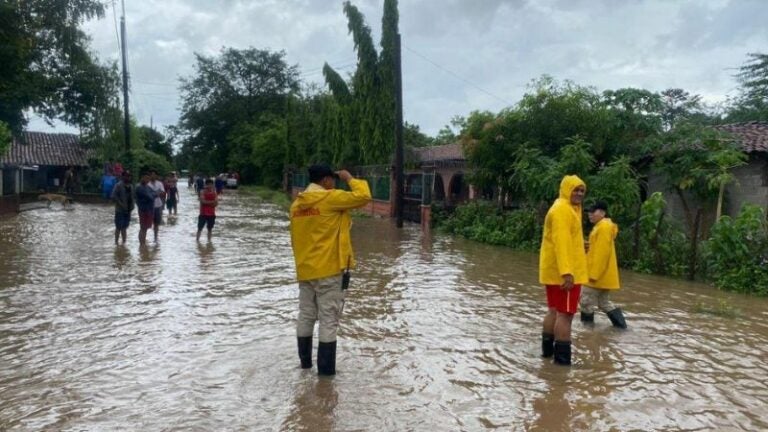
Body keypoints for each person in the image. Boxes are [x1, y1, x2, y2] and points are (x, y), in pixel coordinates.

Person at [289, 164, 371, 376]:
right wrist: (349, 177)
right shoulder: (330, 198)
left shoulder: (297, 205)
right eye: (333, 180)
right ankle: (325, 379)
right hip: (329, 269)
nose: (334, 183)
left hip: (305, 270)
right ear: (326, 181)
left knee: (306, 315)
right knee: (328, 320)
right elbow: (363, 196)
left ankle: (305, 366)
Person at [539, 175, 588, 366]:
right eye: (575, 189)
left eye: (582, 190)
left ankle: (547, 354)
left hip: (554, 271)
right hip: (565, 273)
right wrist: (567, 272)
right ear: (566, 189)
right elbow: (560, 242)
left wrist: (579, 244)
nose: (579, 193)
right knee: (565, 315)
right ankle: (562, 364)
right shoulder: (562, 210)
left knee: (553, 311)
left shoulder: (566, 208)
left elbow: (565, 239)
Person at [581, 201, 627, 329]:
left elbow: (602, 253)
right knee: (603, 302)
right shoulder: (601, 226)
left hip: (596, 275)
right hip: (603, 274)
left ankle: (586, 332)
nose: (590, 214)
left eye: (593, 211)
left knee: (585, 302)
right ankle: (621, 329)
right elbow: (598, 249)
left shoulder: (603, 227)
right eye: (589, 212)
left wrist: (593, 275)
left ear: (602, 212)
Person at [111, 171, 135, 245]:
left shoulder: (131, 186)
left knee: (124, 227)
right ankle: (116, 243)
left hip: (128, 210)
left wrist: (132, 206)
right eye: (126, 176)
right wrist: (121, 204)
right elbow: (113, 196)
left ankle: (124, 244)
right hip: (120, 210)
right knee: (118, 227)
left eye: (129, 176)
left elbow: (132, 197)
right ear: (123, 177)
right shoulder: (118, 185)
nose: (128, 177)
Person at [135, 172, 157, 246]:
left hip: (149, 210)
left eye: (148, 178)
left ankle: (143, 243)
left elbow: (154, 193)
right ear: (142, 178)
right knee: (143, 228)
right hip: (143, 210)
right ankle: (141, 244)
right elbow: (150, 197)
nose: (147, 179)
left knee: (145, 228)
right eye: (146, 178)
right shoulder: (139, 187)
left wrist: (153, 194)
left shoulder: (147, 187)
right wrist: (154, 195)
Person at [148, 170, 166, 242]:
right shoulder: (148, 184)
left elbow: (163, 193)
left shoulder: (160, 183)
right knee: (147, 224)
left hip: (158, 205)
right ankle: (146, 240)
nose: (153, 176)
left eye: (154, 175)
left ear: (156, 176)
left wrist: (153, 194)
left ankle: (155, 238)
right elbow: (148, 196)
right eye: (151, 175)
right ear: (150, 176)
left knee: (156, 223)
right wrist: (157, 193)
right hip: (149, 206)